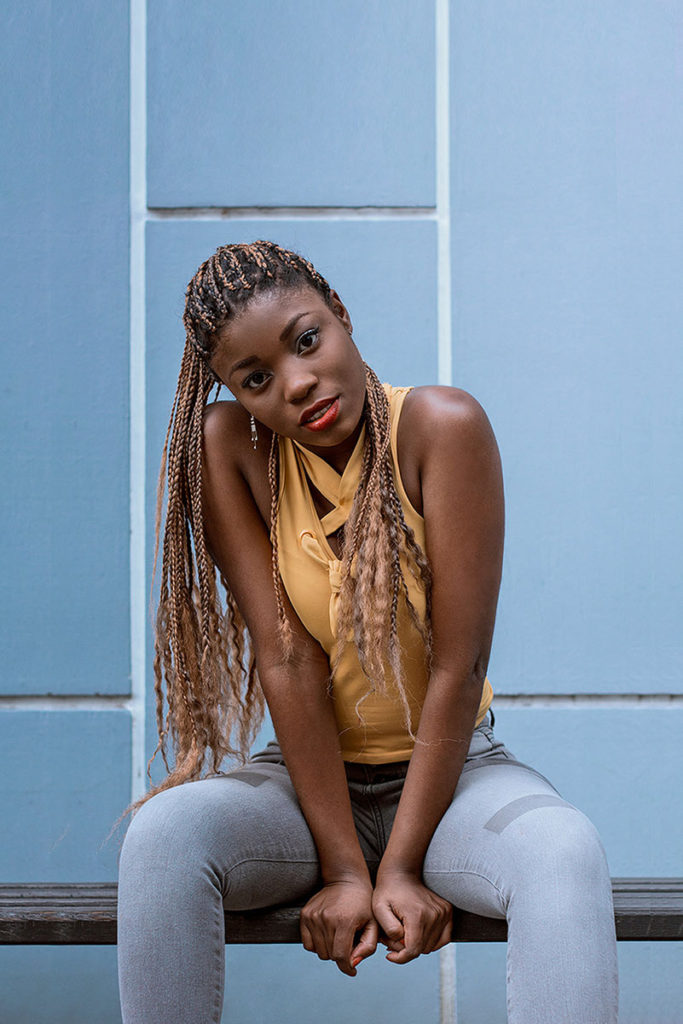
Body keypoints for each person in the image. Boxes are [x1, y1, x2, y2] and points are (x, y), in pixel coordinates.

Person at [117, 240, 618, 1023]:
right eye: (256, 380)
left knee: (563, 851)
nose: (297, 383)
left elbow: (458, 667)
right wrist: (348, 871)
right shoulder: (230, 451)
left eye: (306, 340)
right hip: (306, 784)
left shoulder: (440, 426)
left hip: (453, 781)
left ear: (340, 315)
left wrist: (403, 865)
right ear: (234, 395)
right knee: (163, 835)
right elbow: (285, 661)